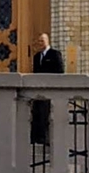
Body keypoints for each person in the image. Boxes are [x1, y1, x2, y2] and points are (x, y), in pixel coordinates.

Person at [27, 31, 63, 159]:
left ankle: (44, 139)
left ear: (48, 41)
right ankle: (35, 138)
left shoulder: (54, 54)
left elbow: (59, 71)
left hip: (49, 90)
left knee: (45, 114)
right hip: (38, 90)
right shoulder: (37, 56)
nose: (40, 43)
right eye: (39, 41)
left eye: (42, 41)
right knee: (36, 113)